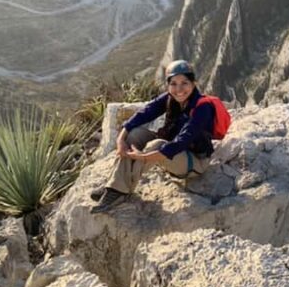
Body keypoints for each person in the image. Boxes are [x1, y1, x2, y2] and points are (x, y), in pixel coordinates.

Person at [91, 60, 214, 213]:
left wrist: (144, 157)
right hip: (172, 154)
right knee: (135, 135)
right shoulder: (170, 98)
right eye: (173, 83)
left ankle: (120, 192)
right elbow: (144, 113)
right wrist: (121, 139)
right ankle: (115, 186)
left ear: (193, 83)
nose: (179, 89)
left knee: (156, 145)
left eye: (185, 83)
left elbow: (182, 141)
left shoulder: (203, 107)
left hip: (193, 162)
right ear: (168, 85)